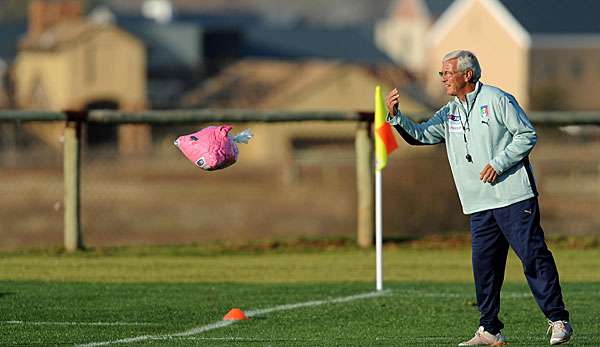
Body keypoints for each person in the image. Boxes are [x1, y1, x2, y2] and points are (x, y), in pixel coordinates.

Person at [385, 50, 572, 346]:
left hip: (514, 197)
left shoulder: (498, 99)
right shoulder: (449, 112)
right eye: (442, 73)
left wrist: (498, 163)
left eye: (447, 73)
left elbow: (526, 134)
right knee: (484, 267)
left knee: (533, 256)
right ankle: (490, 330)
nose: (443, 78)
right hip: (479, 203)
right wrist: (396, 119)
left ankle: (558, 319)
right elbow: (422, 135)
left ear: (467, 75)